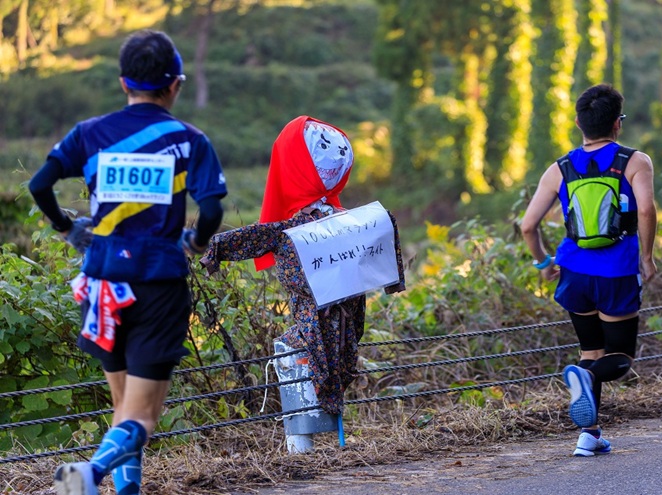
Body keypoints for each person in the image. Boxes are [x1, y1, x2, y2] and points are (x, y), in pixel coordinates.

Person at [28, 30, 227, 494]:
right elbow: (213, 210)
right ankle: (88, 475)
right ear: (175, 84)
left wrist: (66, 227)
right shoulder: (188, 140)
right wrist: (195, 242)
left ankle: (126, 491)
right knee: (144, 415)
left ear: (123, 83)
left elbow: (40, 184)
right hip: (157, 284)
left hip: (100, 283)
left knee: (123, 405)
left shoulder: (90, 134)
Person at [200, 115, 405, 417]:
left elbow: (256, 236)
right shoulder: (354, 223)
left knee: (295, 354)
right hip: (349, 326)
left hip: (314, 329)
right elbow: (386, 229)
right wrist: (393, 279)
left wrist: (215, 251)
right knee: (334, 359)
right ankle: (318, 424)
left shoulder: (291, 232)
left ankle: (307, 436)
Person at [520, 83, 657, 457]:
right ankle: (588, 382)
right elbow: (645, 210)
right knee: (620, 359)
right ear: (617, 124)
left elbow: (528, 226)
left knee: (591, 350)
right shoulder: (634, 161)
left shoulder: (560, 167)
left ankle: (589, 435)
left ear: (579, 122)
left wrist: (544, 263)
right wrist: (647, 257)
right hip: (617, 271)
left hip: (572, 271)